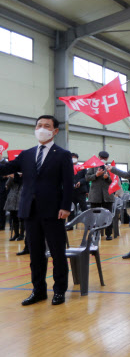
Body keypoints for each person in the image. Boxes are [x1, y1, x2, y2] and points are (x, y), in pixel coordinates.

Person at [0, 115, 73, 306]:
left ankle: (59, 291)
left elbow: (68, 183)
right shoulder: (27, 154)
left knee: (57, 253)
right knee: (35, 254)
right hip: (30, 210)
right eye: (39, 125)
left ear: (55, 131)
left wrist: (66, 206)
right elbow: (6, 168)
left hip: (54, 210)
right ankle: (38, 290)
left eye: (47, 126)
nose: (42, 128)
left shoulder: (62, 154)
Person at [86, 151, 115, 240]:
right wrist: (96, 175)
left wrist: (107, 178)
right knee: (95, 216)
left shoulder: (109, 167)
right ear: (98, 157)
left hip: (107, 195)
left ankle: (109, 234)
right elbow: (87, 178)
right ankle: (94, 233)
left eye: (105, 158)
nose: (103, 159)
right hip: (95, 195)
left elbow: (114, 180)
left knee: (108, 215)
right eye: (101, 157)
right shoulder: (93, 166)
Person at [5, 173, 24, 243]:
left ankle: (22, 235)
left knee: (22, 217)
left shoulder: (25, 176)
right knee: (14, 216)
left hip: (21, 198)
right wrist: (11, 177)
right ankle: (16, 234)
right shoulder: (13, 176)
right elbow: (7, 186)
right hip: (12, 198)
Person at [71, 153, 88, 218]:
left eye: (75, 157)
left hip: (81, 191)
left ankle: (88, 223)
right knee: (71, 209)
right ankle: (70, 225)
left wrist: (80, 182)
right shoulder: (67, 167)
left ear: (77, 159)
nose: (73, 159)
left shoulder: (82, 167)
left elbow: (86, 178)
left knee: (84, 208)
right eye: (72, 157)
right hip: (71, 191)